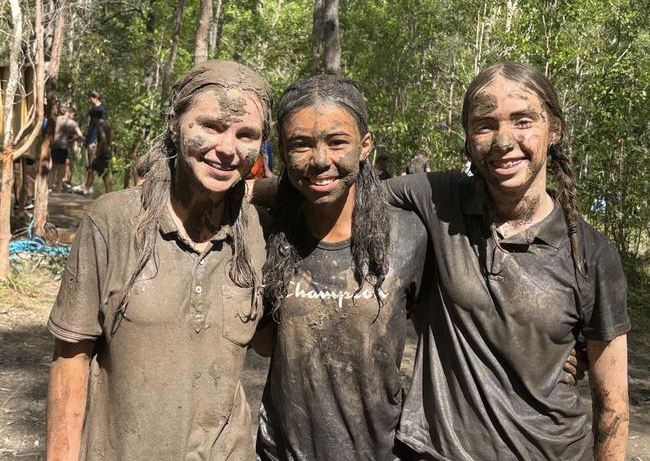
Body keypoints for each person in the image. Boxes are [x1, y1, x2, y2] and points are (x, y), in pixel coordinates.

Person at [384, 62, 629, 460]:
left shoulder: (592, 254)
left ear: (555, 130)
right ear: (467, 140)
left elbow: (613, 404)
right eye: (485, 125)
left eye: (523, 120)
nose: (503, 140)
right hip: (435, 450)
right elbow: (338, 195)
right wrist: (251, 188)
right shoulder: (439, 199)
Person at [46, 60, 273, 460]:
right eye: (210, 126)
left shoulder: (254, 229)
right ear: (175, 124)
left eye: (246, 135)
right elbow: (70, 360)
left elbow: (268, 342)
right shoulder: (114, 222)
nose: (227, 148)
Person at [255, 74, 430, 461]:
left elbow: (458, 327)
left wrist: (567, 348)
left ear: (365, 145)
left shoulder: (409, 236)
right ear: (282, 150)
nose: (320, 161)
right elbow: (260, 342)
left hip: (379, 450)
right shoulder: (266, 235)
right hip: (280, 452)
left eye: (337, 142)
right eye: (300, 144)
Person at [50, 105, 83, 192]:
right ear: (70, 112)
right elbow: (80, 135)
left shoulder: (56, 119)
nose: (73, 116)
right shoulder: (72, 123)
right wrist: (72, 140)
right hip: (64, 146)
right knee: (61, 166)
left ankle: (50, 186)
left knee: (53, 166)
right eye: (73, 114)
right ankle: (59, 187)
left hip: (54, 145)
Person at [85, 107, 113, 194]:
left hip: (103, 153)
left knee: (101, 173)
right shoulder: (106, 124)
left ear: (94, 117)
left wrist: (98, 151)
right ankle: (87, 190)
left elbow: (103, 139)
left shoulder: (100, 125)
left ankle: (108, 193)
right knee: (93, 170)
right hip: (107, 152)